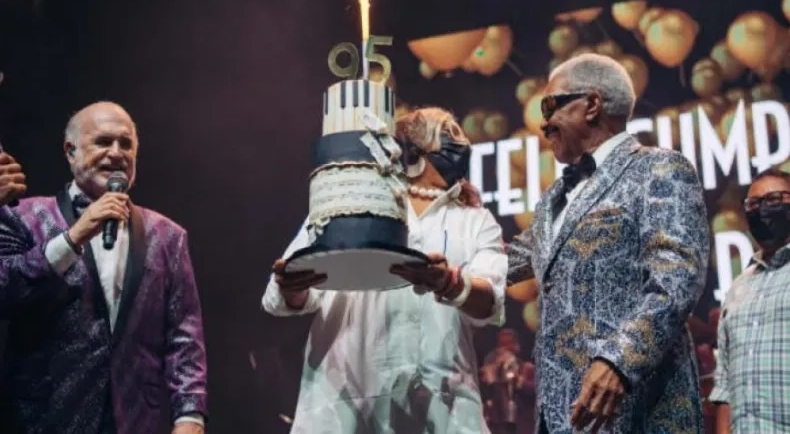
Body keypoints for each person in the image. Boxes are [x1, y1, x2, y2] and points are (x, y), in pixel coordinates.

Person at [261, 107, 508, 433]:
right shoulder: (349, 204)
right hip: (346, 404)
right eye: (447, 132)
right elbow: (279, 297)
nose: (460, 142)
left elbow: (490, 304)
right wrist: (293, 286)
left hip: (443, 410)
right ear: (410, 150)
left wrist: (448, 282)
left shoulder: (476, 221)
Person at [506, 53, 710, 433]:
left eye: (550, 105)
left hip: (635, 408)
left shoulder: (658, 168)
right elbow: (507, 260)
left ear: (592, 105)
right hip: (559, 415)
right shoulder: (555, 198)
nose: (543, 122)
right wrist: (452, 262)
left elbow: (676, 278)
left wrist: (619, 361)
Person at [0, 101, 208, 434]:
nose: (116, 152)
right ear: (71, 152)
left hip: (135, 419)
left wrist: (190, 415)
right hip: (43, 418)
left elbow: (183, 332)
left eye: (126, 144)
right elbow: (6, 293)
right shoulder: (23, 216)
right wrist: (73, 238)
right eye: (103, 142)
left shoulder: (168, 236)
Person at [711, 169, 790, 434]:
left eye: (773, 200)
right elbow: (724, 384)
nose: (762, 210)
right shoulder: (738, 287)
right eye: (753, 204)